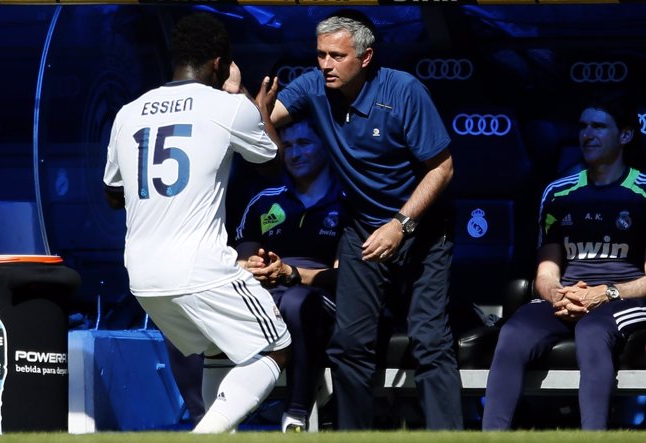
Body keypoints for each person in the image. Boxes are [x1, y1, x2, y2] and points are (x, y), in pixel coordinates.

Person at [255, 10, 463, 430]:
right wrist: (258, 108)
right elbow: (266, 130)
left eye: (336, 56)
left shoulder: (404, 90)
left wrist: (400, 224)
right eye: (320, 55)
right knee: (349, 343)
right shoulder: (313, 86)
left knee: (429, 340)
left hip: (421, 229)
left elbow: (442, 168)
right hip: (362, 227)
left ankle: (447, 437)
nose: (325, 64)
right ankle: (354, 436)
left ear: (365, 58)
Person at [102, 12, 291, 434]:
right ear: (220, 63)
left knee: (217, 350)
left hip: (143, 277)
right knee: (275, 349)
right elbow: (274, 166)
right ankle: (202, 436)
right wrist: (249, 100)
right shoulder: (228, 105)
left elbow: (112, 194)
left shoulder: (128, 113)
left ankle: (211, 430)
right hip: (200, 268)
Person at [482, 90, 646, 430]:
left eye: (599, 126)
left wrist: (606, 293)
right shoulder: (558, 191)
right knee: (512, 332)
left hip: (624, 299)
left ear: (626, 134)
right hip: (570, 296)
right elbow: (546, 270)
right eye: (584, 126)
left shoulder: (643, 190)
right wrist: (557, 293)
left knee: (592, 330)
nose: (587, 134)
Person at [234, 119, 345, 432]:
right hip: (268, 293)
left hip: (324, 298)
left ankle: (295, 414)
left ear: (326, 146)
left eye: (305, 143)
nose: (295, 153)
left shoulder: (347, 202)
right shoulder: (264, 200)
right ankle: (213, 414)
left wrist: (292, 274)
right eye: (289, 146)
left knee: (296, 301)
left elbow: (345, 278)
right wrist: (261, 268)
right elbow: (244, 263)